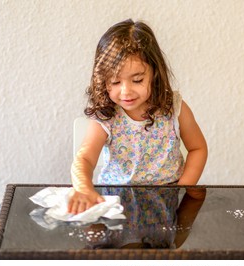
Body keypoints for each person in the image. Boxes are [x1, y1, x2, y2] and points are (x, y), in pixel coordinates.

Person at [68, 19, 207, 214]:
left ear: (155, 73)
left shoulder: (174, 107)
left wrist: (181, 189)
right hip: (116, 205)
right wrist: (83, 188)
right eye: (115, 82)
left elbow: (198, 148)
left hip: (166, 205)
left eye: (137, 80)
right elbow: (84, 160)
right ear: (102, 80)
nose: (126, 91)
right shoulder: (107, 116)